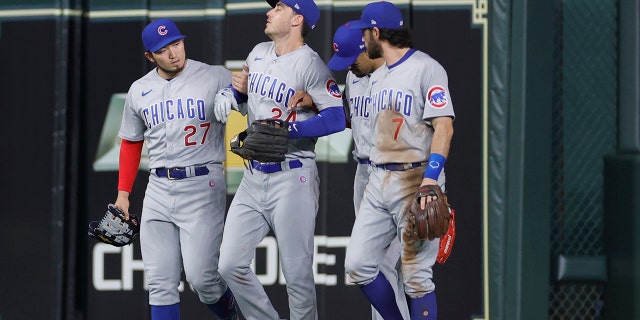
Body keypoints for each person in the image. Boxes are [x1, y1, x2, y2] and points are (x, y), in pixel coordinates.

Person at [212, 0, 346, 318]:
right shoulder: (258, 52)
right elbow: (245, 94)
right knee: (229, 263)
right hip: (253, 175)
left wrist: (292, 129)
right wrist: (231, 95)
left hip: (293, 174)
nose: (270, 12)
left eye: (280, 8)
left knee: (297, 276)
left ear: (297, 19)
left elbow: (337, 117)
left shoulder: (310, 64)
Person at [113, 18, 239, 320]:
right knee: (159, 284)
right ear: (149, 56)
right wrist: (123, 195)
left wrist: (237, 94)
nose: (173, 53)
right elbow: (131, 143)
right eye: (163, 49)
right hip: (157, 187)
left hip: (202, 183)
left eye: (176, 43)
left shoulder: (214, 76)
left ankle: (233, 316)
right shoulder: (139, 90)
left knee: (202, 279)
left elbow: (252, 95)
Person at [343, 2, 455, 319]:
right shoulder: (376, 75)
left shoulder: (425, 69)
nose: (362, 39)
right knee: (359, 265)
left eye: (365, 33)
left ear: (376, 33)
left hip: (417, 179)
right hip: (380, 179)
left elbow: (444, 126)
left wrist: (433, 180)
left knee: (416, 278)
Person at [290, 22, 410, 319]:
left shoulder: (401, 76)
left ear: (369, 47)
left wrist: (431, 184)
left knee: (379, 264)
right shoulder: (354, 78)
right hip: (366, 176)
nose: (349, 67)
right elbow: (356, 121)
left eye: (352, 59)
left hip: (399, 176)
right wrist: (319, 107)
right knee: (377, 267)